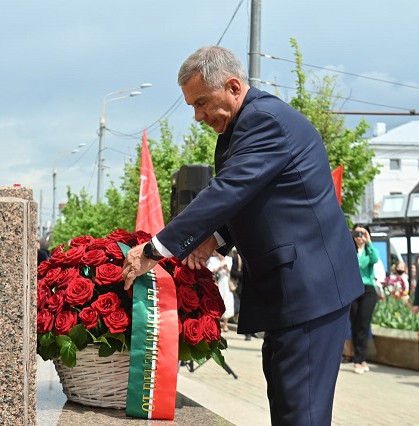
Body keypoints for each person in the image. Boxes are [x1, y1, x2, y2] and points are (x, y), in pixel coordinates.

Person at [122, 45, 363, 425]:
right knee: (289, 405)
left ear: (233, 86)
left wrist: (156, 247)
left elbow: (229, 190)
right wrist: (214, 238)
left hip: (309, 291)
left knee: (303, 413)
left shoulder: (263, 120)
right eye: (192, 107)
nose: (198, 116)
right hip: (296, 293)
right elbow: (255, 198)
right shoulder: (244, 126)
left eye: (202, 102)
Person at [349, 223, 379, 375]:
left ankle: (360, 359)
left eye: (363, 233)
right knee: (355, 323)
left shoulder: (369, 250)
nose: (359, 236)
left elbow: (375, 259)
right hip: (353, 289)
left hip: (368, 290)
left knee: (363, 324)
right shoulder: (348, 250)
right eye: (357, 233)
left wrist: (369, 242)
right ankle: (358, 358)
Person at [206, 251, 234, 332]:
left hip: (227, 283)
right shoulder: (213, 260)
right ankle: (216, 323)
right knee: (216, 303)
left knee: (227, 302)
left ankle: (225, 324)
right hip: (217, 282)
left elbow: (233, 271)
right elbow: (209, 271)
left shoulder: (229, 259)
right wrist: (219, 268)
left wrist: (226, 268)